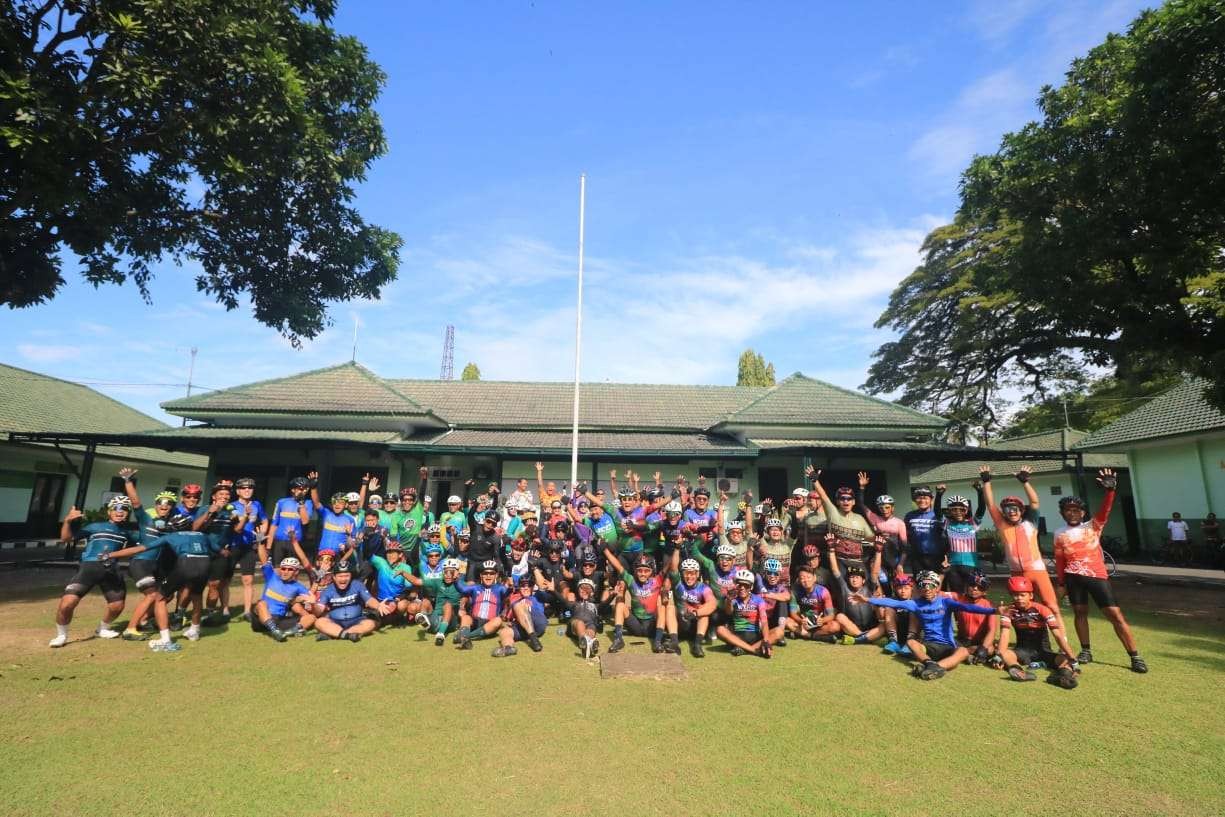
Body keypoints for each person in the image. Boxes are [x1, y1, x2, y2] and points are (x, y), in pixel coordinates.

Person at [1053, 468, 1147, 673]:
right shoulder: (1059, 533)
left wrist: (1110, 491)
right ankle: (1086, 650)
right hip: (1073, 578)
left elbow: (1105, 510)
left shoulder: (1093, 526)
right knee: (1080, 613)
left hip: (1097, 577)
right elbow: (1060, 560)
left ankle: (1135, 656)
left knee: (1115, 615)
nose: (1072, 513)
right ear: (1062, 513)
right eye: (1067, 510)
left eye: (1076, 509)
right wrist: (1061, 583)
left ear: (1083, 512)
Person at [979, 465, 1065, 631]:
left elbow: (1034, 502)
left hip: (1037, 571)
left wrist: (1025, 482)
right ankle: (1030, 639)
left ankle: (1064, 641)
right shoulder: (1002, 525)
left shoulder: (1030, 523)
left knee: (1051, 606)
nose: (1011, 512)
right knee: (1021, 609)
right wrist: (987, 481)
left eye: (1015, 509)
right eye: (1007, 510)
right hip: (1017, 572)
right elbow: (990, 505)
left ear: (1021, 510)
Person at [869, 570, 996, 680]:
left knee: (963, 651)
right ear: (920, 589)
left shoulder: (947, 602)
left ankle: (935, 667)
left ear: (936, 588)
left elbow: (969, 608)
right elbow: (892, 602)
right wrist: (868, 599)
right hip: (929, 645)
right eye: (924, 587)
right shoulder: (916, 603)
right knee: (911, 643)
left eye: (931, 586)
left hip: (949, 646)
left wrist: (994, 611)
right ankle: (930, 664)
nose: (927, 589)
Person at [49, 496, 140, 648]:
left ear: (128, 513)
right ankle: (61, 635)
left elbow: (145, 545)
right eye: (116, 508)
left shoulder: (128, 533)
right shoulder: (95, 526)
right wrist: (67, 521)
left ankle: (102, 629)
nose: (120, 512)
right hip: (89, 568)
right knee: (67, 604)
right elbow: (66, 538)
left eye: (124, 509)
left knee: (117, 606)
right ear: (109, 512)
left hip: (111, 570)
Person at [107, 528, 220, 644]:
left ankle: (165, 639)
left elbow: (139, 549)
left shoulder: (171, 536)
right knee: (196, 597)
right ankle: (194, 631)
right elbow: (219, 550)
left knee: (159, 598)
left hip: (186, 562)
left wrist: (110, 554)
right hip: (205, 564)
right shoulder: (203, 535)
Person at [996, 576, 1080, 689]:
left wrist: (1072, 657)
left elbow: (1058, 635)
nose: (1019, 598)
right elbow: (1004, 635)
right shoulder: (1008, 611)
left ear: (1030, 595)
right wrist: (999, 656)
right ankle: (1018, 671)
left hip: (1044, 651)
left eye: (1022, 595)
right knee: (1005, 654)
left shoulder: (1042, 609)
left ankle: (1063, 677)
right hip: (1022, 651)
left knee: (1065, 659)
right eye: (1015, 595)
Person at [605, 550, 679, 655]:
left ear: (652, 571)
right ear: (635, 571)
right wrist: (605, 550)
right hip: (636, 625)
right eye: (639, 570)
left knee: (661, 607)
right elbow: (618, 566)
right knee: (620, 604)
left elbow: (669, 565)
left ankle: (657, 642)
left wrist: (676, 548)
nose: (642, 574)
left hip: (652, 626)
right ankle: (618, 639)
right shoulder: (631, 580)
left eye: (646, 571)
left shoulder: (657, 580)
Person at [312, 560, 393, 642]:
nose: (343, 579)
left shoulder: (357, 585)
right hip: (335, 622)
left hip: (357, 620)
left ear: (351, 576)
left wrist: (378, 605)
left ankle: (335, 634)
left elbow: (369, 600)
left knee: (371, 624)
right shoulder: (328, 590)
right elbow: (319, 611)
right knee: (319, 622)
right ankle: (348, 635)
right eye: (340, 576)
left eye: (346, 576)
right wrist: (313, 604)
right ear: (334, 577)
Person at [826, 541, 886, 646]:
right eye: (852, 577)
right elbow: (835, 570)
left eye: (857, 577)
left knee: (884, 622)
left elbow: (875, 572)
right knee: (839, 616)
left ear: (863, 580)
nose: (854, 580)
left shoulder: (869, 588)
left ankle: (859, 639)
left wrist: (878, 551)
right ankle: (866, 637)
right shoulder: (844, 588)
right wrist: (831, 550)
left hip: (870, 625)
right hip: (850, 627)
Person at [855, 471, 908, 586]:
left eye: (887, 507)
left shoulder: (899, 523)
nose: (884, 509)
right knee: (882, 582)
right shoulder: (875, 518)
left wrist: (901, 564)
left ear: (892, 508)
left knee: (898, 584)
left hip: (895, 559)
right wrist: (862, 487)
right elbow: (860, 504)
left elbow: (904, 548)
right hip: (879, 557)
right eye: (881, 507)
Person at [229, 477, 268, 621]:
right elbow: (236, 529)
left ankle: (247, 611)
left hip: (249, 546)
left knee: (248, 580)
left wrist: (261, 534)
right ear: (238, 491)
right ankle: (225, 610)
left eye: (250, 488)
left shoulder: (257, 504)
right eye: (244, 488)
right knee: (226, 580)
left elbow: (264, 520)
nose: (247, 490)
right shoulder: (231, 506)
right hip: (232, 545)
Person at [252, 556, 316, 642]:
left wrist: (310, 601)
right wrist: (261, 544)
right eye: (283, 568)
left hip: (279, 620)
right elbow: (263, 557)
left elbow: (310, 598)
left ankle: (285, 633)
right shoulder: (272, 576)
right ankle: (274, 630)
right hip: (261, 619)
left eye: (290, 569)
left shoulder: (298, 587)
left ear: (296, 571)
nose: (285, 572)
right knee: (261, 603)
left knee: (311, 617)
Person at [454, 560, 513, 652]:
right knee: (465, 617)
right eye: (485, 573)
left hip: (490, 624)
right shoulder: (475, 587)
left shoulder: (500, 588)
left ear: (496, 575)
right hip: (475, 621)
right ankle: (464, 637)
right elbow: (462, 589)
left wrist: (510, 587)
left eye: (491, 573)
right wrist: (456, 580)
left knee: (498, 621)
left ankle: (465, 636)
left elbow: (507, 593)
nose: (488, 576)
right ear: (481, 575)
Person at [715, 568, 775, 658]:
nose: (742, 588)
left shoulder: (758, 600)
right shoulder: (733, 599)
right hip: (737, 637)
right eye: (739, 585)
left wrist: (766, 640)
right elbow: (728, 612)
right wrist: (728, 600)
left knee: (779, 631)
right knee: (720, 629)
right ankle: (754, 651)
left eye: (745, 585)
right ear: (736, 586)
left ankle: (743, 649)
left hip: (754, 637)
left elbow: (764, 622)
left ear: (751, 587)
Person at [671, 557, 719, 657]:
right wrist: (677, 547)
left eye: (692, 573)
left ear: (697, 574)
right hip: (680, 622)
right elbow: (674, 568)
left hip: (695, 625)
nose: (689, 577)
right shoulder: (678, 584)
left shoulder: (703, 588)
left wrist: (696, 613)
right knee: (671, 608)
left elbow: (712, 603)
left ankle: (697, 645)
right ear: (681, 574)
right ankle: (674, 641)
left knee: (704, 613)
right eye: (686, 573)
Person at [787, 564, 841, 643]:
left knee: (835, 626)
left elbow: (831, 615)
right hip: (803, 624)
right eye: (802, 578)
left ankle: (803, 635)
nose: (806, 580)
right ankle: (817, 637)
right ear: (799, 580)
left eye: (808, 577)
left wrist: (822, 620)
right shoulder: (795, 591)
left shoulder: (823, 591)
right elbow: (793, 613)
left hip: (819, 625)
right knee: (786, 621)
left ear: (814, 578)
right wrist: (801, 620)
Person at [267, 476, 314, 568]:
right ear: (293, 489)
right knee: (277, 570)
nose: (303, 491)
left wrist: (301, 504)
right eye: (300, 488)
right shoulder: (282, 502)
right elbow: (274, 524)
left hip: (295, 542)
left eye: (305, 489)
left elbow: (305, 521)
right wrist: (268, 546)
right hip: (279, 541)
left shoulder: (308, 503)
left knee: (292, 571)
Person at [418, 558, 465, 646]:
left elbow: (471, 593)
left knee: (447, 605)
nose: (447, 575)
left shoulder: (462, 585)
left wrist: (463, 605)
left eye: (451, 572)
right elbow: (417, 581)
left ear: (457, 573)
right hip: (436, 619)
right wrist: (403, 573)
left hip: (451, 622)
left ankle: (440, 634)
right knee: (425, 600)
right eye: (445, 572)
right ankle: (424, 619)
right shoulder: (438, 582)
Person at [903, 484, 946, 576]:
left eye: (925, 498)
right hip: (917, 557)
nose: (922, 500)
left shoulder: (937, 515)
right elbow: (906, 535)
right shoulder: (909, 515)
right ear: (915, 500)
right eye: (919, 498)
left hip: (936, 557)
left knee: (936, 585)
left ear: (931, 499)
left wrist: (939, 494)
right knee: (920, 585)